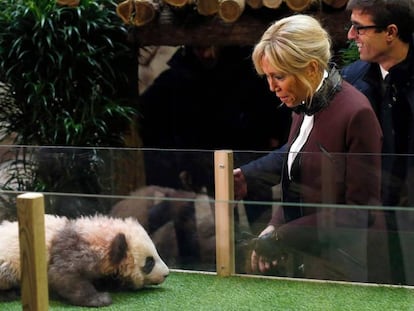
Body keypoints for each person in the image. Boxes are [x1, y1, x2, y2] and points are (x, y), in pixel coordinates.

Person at [235, 14, 383, 283]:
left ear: (311, 69)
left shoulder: (357, 113)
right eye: (267, 77)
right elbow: (299, 179)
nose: (271, 87)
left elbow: (360, 213)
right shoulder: (305, 101)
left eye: (278, 76)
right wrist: (274, 228)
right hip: (307, 262)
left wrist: (282, 236)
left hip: (343, 272)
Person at [340, 0, 414, 285]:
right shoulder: (350, 80)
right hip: (373, 221)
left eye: (359, 28)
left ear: (391, 32)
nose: (350, 36)